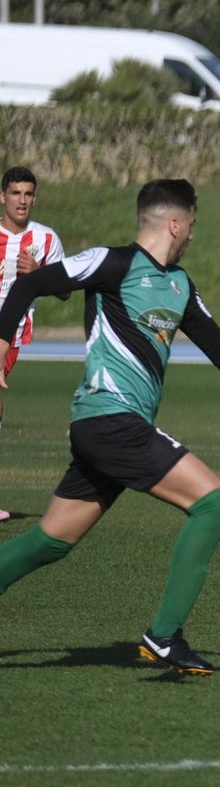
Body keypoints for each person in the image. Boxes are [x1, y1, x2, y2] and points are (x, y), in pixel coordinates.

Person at [0, 179, 220, 675]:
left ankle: (164, 636)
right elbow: (28, 284)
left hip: (107, 429)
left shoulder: (180, 285)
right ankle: (164, 636)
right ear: (175, 222)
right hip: (110, 419)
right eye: (192, 224)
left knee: (50, 541)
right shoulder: (112, 263)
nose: (193, 234)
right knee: (214, 503)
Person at [0, 167, 69, 522]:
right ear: (3, 197)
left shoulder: (45, 240)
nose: (23, 201)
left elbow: (65, 291)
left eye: (28, 194)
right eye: (16, 193)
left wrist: (38, 274)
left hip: (10, 337)